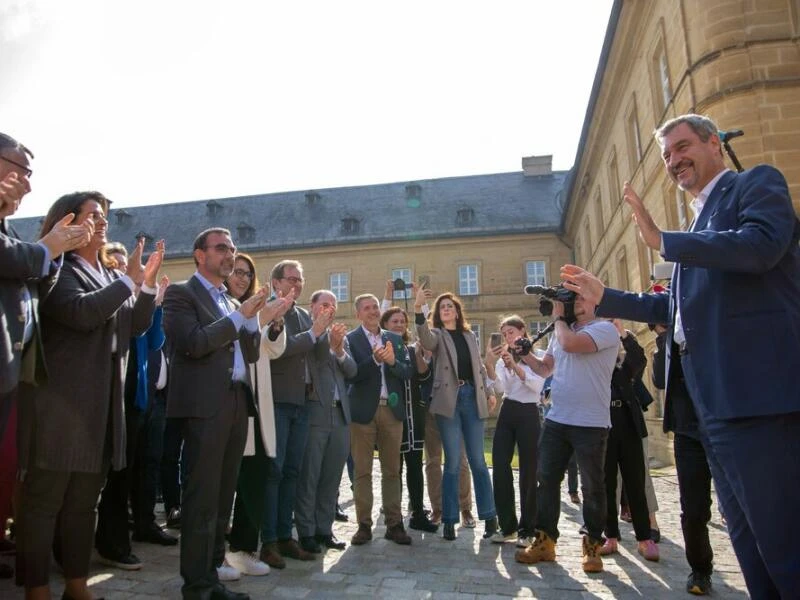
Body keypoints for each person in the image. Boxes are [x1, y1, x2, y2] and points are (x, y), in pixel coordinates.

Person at [561, 113, 800, 597]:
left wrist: (664, 241)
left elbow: (761, 246)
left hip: (756, 396)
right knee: (749, 543)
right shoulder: (699, 226)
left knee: (783, 542)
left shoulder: (754, 185)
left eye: (683, 146)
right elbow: (669, 307)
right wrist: (602, 294)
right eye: (667, 154)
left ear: (715, 143)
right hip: (708, 406)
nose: (673, 160)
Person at [16, 192, 162, 600]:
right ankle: (37, 587)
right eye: (93, 215)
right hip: (61, 406)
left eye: (105, 217)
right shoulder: (56, 269)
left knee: (84, 505)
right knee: (43, 504)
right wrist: (127, 282)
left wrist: (145, 287)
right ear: (67, 222)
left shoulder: (104, 274)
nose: (102, 223)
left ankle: (77, 585)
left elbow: (133, 326)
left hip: (102, 407)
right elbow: (81, 313)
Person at [162, 228, 290, 600]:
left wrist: (258, 319)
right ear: (200, 255)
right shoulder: (182, 294)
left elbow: (249, 353)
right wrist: (241, 318)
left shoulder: (231, 303)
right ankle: (197, 584)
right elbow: (194, 343)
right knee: (202, 498)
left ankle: (213, 575)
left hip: (236, 403)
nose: (229, 254)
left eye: (232, 249)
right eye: (221, 248)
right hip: (204, 406)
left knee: (221, 498)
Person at [0, 132, 93, 581]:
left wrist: (49, 256)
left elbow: (32, 285)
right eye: (19, 170)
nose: (27, 186)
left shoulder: (11, 231)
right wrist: (51, 249)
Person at [512, 291, 618, 573]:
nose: (575, 305)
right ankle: (545, 541)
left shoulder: (604, 329)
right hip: (557, 419)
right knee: (545, 480)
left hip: (591, 422)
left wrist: (558, 317)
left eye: (580, 300)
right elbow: (546, 369)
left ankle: (592, 544)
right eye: (572, 301)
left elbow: (571, 345)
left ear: (595, 302)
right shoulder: (562, 332)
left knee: (592, 487)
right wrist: (526, 355)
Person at [381, 281, 474, 528]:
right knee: (432, 461)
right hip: (429, 408)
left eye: (403, 322)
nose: (400, 325)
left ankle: (465, 508)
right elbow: (383, 328)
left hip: (451, 405)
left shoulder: (449, 338)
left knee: (459, 460)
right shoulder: (424, 339)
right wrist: (399, 301)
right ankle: (437, 508)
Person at [259, 260, 331, 569]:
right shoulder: (270, 309)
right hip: (277, 400)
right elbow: (281, 349)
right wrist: (314, 333)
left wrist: (325, 333)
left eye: (301, 280)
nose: (297, 284)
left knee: (292, 472)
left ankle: (286, 537)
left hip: (302, 402)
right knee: (273, 472)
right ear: (276, 282)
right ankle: (269, 540)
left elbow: (317, 355)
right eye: (291, 279)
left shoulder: (303, 314)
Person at [414, 289, 497, 542]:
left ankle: (490, 517)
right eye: (442, 307)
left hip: (473, 398)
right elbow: (425, 340)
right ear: (438, 314)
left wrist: (490, 391)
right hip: (449, 400)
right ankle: (449, 520)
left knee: (478, 462)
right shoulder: (437, 335)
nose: (447, 309)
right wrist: (419, 310)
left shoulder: (469, 335)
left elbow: (480, 367)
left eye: (450, 306)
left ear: (458, 311)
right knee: (451, 463)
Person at [224, 253, 289, 579]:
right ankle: (214, 554)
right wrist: (260, 318)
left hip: (255, 404)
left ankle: (243, 549)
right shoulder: (219, 304)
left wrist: (275, 326)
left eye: (248, 273)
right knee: (221, 483)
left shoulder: (256, 307)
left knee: (255, 476)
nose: (243, 278)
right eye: (237, 272)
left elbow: (272, 349)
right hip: (223, 402)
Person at [346, 293, 414, 546]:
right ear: (358, 314)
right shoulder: (350, 340)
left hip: (391, 412)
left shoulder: (395, 339)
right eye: (367, 308)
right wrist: (374, 359)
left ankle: (394, 524)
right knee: (362, 471)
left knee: (392, 471)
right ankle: (364, 525)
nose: (373, 311)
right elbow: (350, 374)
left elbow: (408, 372)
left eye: (375, 307)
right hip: (363, 412)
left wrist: (393, 361)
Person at [654, 322, 714, 595]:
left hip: (726, 424)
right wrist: (663, 338)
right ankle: (700, 569)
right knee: (693, 509)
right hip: (687, 428)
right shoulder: (670, 337)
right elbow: (658, 379)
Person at [294, 291, 356, 553]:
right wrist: (326, 341)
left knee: (332, 477)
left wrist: (340, 350)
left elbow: (352, 371)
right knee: (310, 475)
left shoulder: (339, 335)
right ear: (313, 307)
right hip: (315, 413)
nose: (329, 308)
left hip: (340, 415)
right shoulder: (307, 332)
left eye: (333, 305)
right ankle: (306, 531)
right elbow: (315, 360)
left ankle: (324, 529)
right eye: (324, 304)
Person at [597, 320, 659, 562]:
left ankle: (645, 538)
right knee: (607, 486)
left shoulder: (627, 368)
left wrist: (623, 333)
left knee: (636, 484)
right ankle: (610, 536)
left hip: (629, 429)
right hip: (604, 430)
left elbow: (639, 356)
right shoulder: (596, 368)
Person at [484, 315, 545, 547]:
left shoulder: (536, 358)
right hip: (508, 410)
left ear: (523, 331)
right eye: (505, 333)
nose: (508, 336)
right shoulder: (503, 360)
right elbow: (500, 387)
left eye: (511, 332)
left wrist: (517, 368)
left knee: (529, 470)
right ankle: (507, 525)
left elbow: (537, 386)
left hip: (529, 412)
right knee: (499, 465)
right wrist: (491, 364)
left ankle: (527, 528)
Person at [380, 306, 438, 533]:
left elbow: (425, 377)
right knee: (393, 467)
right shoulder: (381, 347)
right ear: (385, 324)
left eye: (402, 321)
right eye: (394, 321)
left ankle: (417, 512)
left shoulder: (410, 349)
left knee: (414, 464)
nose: (399, 324)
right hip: (391, 413)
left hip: (413, 413)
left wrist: (419, 355)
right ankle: (393, 514)